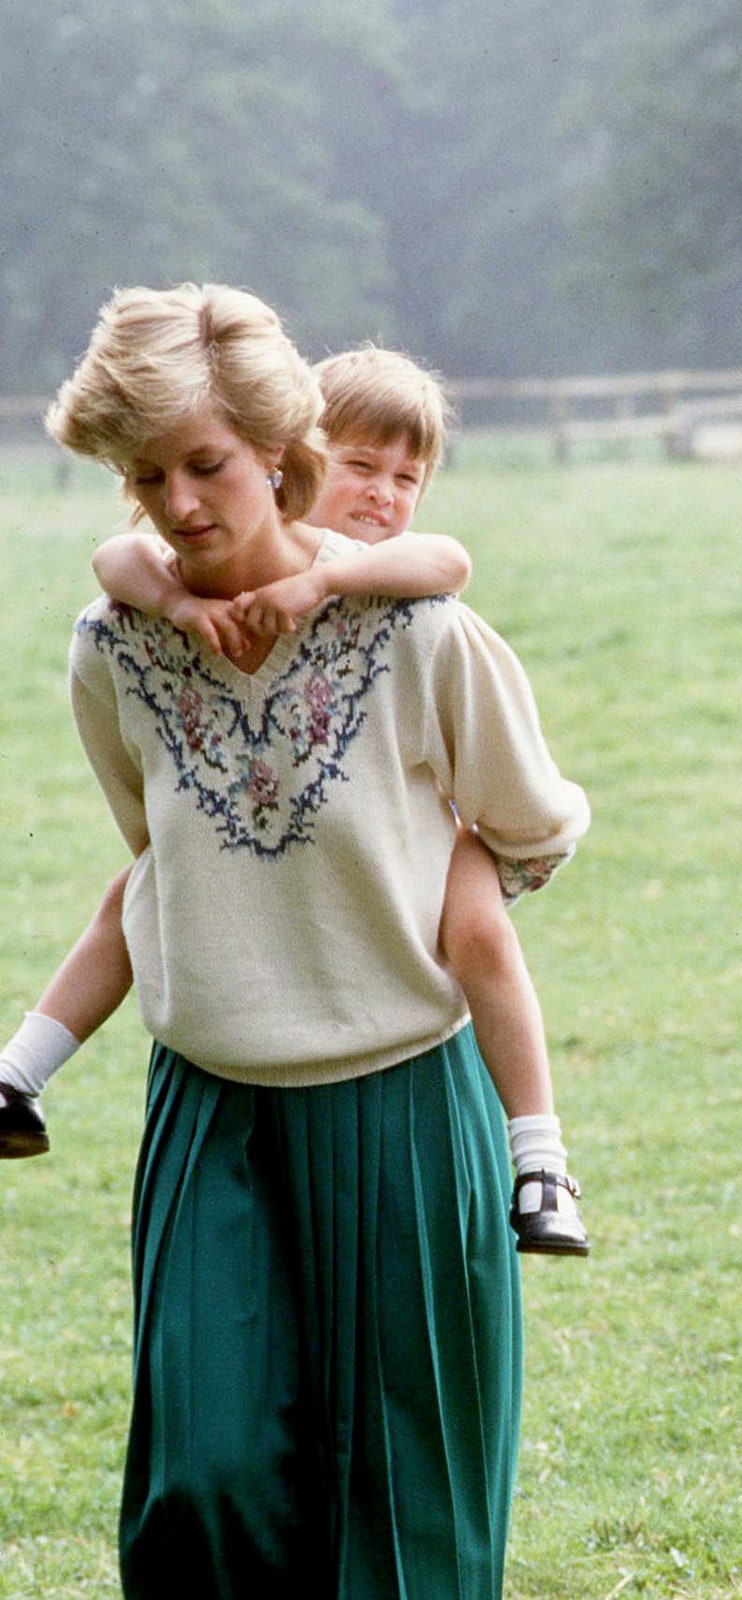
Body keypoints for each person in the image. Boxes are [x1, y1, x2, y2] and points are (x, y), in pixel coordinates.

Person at [41, 282, 591, 1596]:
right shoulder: (111, 651)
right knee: (203, 1489)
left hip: (405, 1109)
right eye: (147, 473)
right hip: (210, 1117)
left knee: (403, 1526)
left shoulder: (422, 636)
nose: (178, 503)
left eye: (208, 465)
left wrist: (438, 889)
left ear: (283, 457)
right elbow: (150, 854)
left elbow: (537, 827)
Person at [0, 346, 589, 1253]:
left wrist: (321, 577)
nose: (385, 496)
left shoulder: (406, 598)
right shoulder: (129, 624)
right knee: (143, 883)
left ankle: (540, 1155)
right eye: (360, 467)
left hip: (407, 985)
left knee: (475, 925)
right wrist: (186, 610)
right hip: (215, 1062)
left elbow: (450, 561)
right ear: (299, 458)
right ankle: (20, 1075)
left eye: (407, 477)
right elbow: (116, 554)